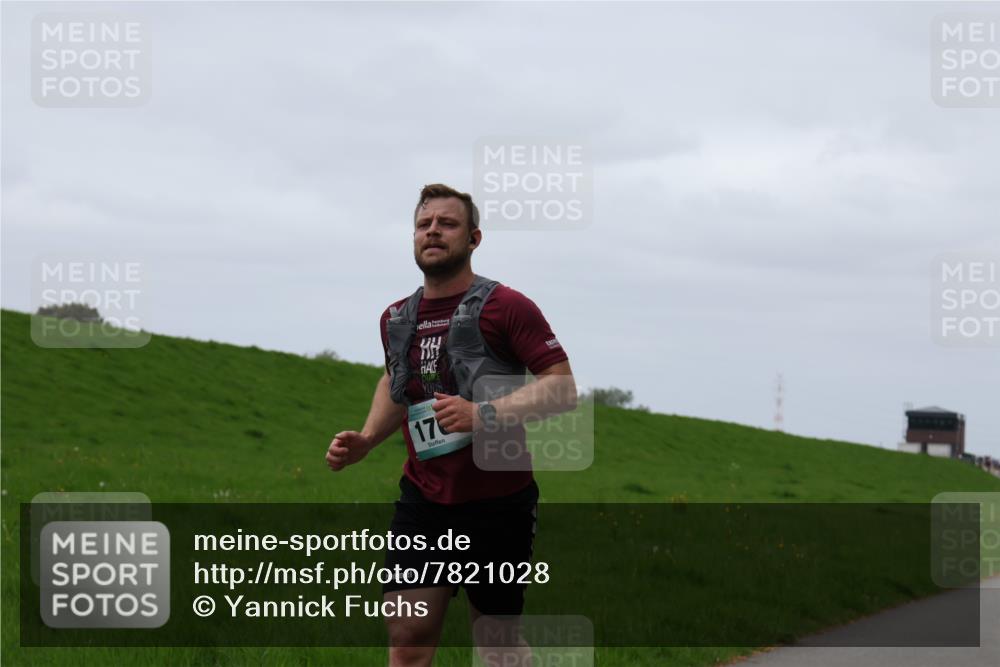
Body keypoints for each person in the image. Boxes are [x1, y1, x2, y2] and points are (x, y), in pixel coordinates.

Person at [326, 183, 576, 666]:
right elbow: (396, 383)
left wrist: (481, 415)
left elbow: (561, 387)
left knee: (497, 646)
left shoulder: (507, 306)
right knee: (406, 636)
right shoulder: (396, 317)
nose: (433, 231)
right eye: (424, 224)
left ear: (474, 238)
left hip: (498, 502)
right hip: (424, 500)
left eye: (447, 223)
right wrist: (368, 438)